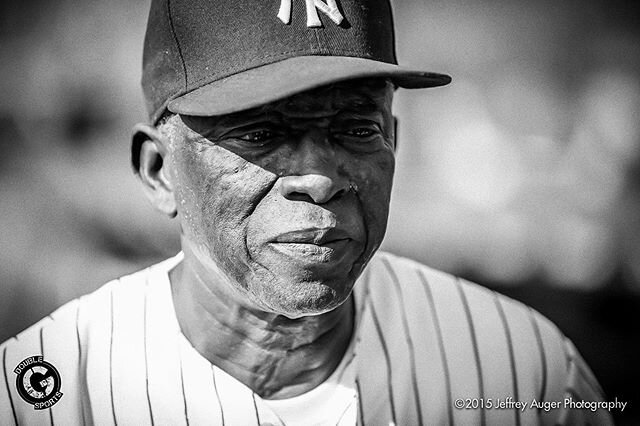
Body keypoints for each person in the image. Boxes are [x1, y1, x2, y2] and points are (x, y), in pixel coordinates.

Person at [0, 0, 614, 424]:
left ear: (394, 139)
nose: (319, 179)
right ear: (160, 172)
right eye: (261, 133)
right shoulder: (44, 393)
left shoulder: (524, 370)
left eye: (355, 128)